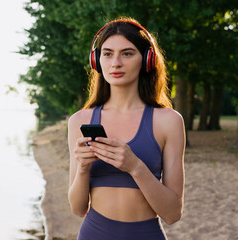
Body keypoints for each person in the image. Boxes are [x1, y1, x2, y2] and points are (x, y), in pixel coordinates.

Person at [67, 17, 185, 240]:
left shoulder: (169, 121)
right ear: (96, 60)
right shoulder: (79, 120)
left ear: (147, 60)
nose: (116, 63)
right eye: (108, 53)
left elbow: (172, 214)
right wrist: (83, 168)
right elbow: (77, 208)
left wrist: (136, 167)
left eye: (127, 53)